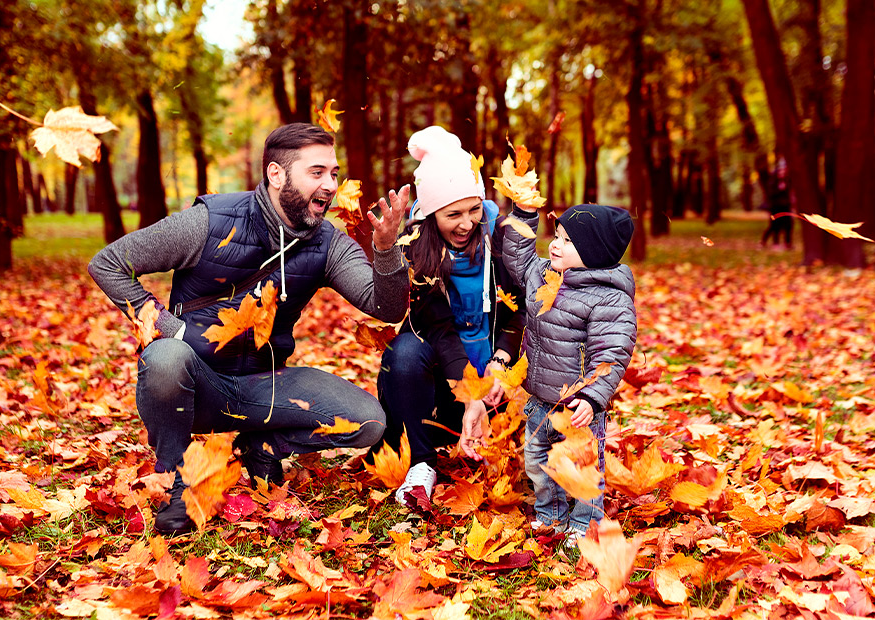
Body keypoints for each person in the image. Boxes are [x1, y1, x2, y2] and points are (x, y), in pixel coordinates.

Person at [88, 123, 411, 535]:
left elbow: (385, 306)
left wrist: (385, 250)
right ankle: (178, 483)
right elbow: (109, 263)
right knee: (164, 356)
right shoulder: (209, 221)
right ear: (276, 175)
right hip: (197, 384)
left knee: (368, 420)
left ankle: (260, 448)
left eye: (333, 173)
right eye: (317, 172)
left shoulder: (327, 243)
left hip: (265, 385)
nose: (330, 184)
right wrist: (175, 330)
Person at [370, 126, 525, 505]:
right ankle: (422, 463)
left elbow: (515, 309)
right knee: (402, 352)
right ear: (431, 212)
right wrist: (468, 390)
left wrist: (502, 362)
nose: (467, 223)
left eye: (474, 209)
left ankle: (495, 438)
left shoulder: (501, 237)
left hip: (494, 381)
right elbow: (437, 328)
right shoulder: (416, 250)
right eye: (453, 214)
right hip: (439, 383)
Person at [477, 201, 636, 536]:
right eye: (556, 235)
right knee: (538, 462)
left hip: (578, 408)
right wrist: (523, 214)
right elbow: (518, 259)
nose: (554, 244)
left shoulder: (608, 299)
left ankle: (584, 525)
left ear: (594, 252)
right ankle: (551, 515)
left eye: (566, 241)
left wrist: (593, 398)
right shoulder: (545, 274)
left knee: (582, 468)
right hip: (540, 399)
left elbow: (612, 353)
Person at [760, 156, 794, 250]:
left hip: (785, 206)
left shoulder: (787, 181)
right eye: (781, 170)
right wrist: (779, 190)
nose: (782, 172)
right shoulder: (773, 182)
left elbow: (789, 194)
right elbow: (770, 194)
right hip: (775, 207)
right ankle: (772, 242)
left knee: (788, 225)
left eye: (784, 170)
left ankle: (788, 243)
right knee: (775, 226)